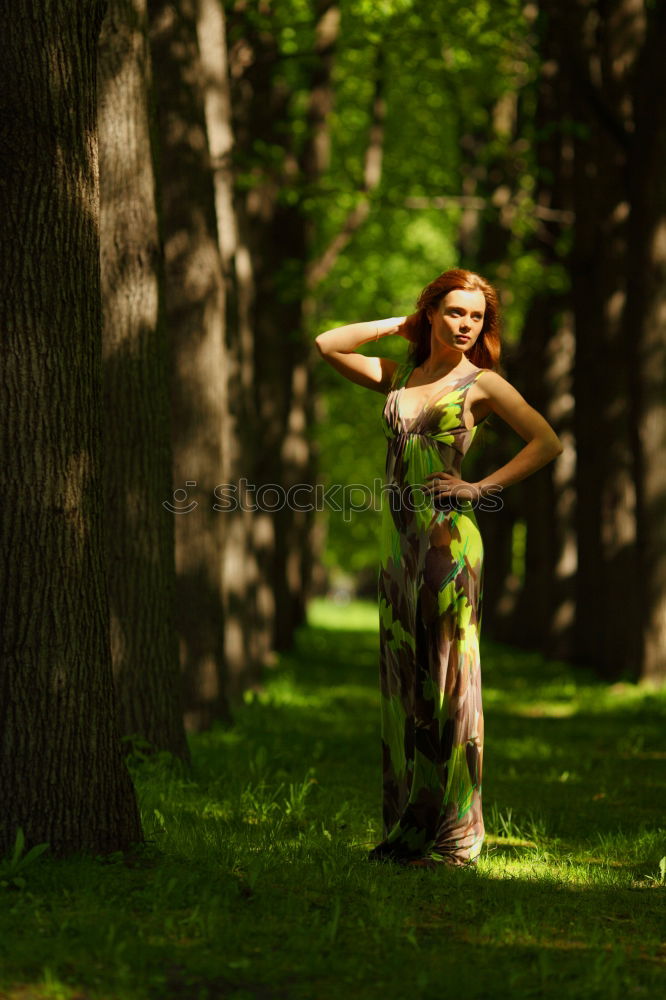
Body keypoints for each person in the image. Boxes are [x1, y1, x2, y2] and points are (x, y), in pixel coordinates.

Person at [315, 268, 563, 869]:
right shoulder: (398, 378)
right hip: (397, 544)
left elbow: (547, 441)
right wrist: (395, 326)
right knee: (406, 678)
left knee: (449, 679)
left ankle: (455, 833)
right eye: (454, 312)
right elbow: (328, 344)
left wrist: (480, 487)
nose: (466, 325)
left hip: (448, 543)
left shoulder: (483, 384)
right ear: (431, 313)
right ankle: (410, 820)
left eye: (476, 317)